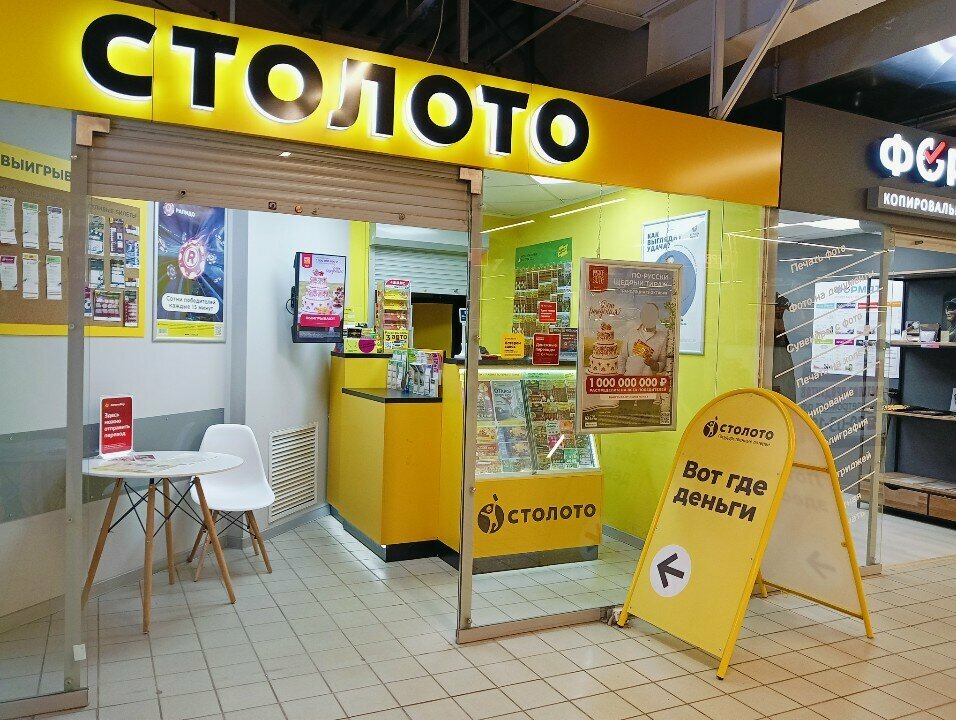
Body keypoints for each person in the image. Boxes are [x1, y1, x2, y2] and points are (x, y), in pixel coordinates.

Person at [618, 302, 670, 376]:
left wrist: (653, 364)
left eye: (652, 315)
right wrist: (620, 377)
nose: (649, 317)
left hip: (648, 382)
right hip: (629, 380)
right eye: (646, 315)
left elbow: (663, 363)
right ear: (641, 316)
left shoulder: (662, 337)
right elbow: (622, 357)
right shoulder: (631, 333)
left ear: (657, 317)